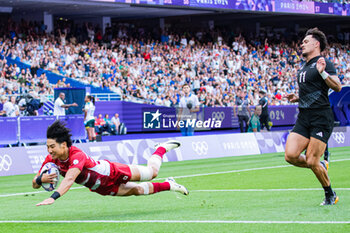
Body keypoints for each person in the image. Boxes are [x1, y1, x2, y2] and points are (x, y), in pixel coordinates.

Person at [32, 121, 188, 206]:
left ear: (64, 145)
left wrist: (54, 197)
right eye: (47, 147)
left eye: (52, 147)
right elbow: (34, 183)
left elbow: (70, 179)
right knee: (138, 191)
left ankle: (160, 149)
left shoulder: (76, 155)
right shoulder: (50, 160)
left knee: (152, 173)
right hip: (101, 187)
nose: (49, 150)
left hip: (113, 171)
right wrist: (40, 180)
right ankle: (169, 185)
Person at [284, 28, 342, 205]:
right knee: (290, 156)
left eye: (306, 41)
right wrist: (298, 97)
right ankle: (320, 165)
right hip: (304, 117)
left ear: (316, 44)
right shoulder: (303, 67)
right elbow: (314, 91)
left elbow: (338, 87)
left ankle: (330, 194)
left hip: (321, 118)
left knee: (311, 159)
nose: (302, 44)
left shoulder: (324, 62)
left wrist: (323, 72)